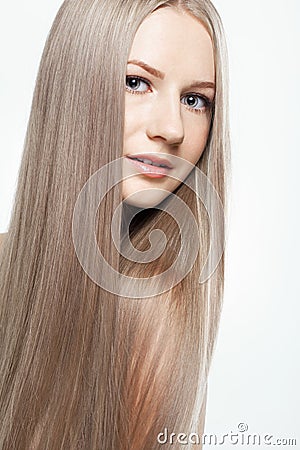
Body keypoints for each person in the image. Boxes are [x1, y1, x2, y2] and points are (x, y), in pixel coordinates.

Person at [0, 0, 230, 448]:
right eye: (136, 82)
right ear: (72, 85)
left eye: (195, 99)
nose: (172, 128)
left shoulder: (157, 311)